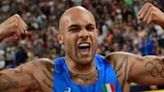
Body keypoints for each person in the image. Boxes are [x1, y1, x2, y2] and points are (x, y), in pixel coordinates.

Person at [0, 2, 163, 92]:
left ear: (96, 33)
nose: (84, 34)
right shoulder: (44, 74)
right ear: (60, 39)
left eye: (90, 28)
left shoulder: (120, 67)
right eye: (74, 29)